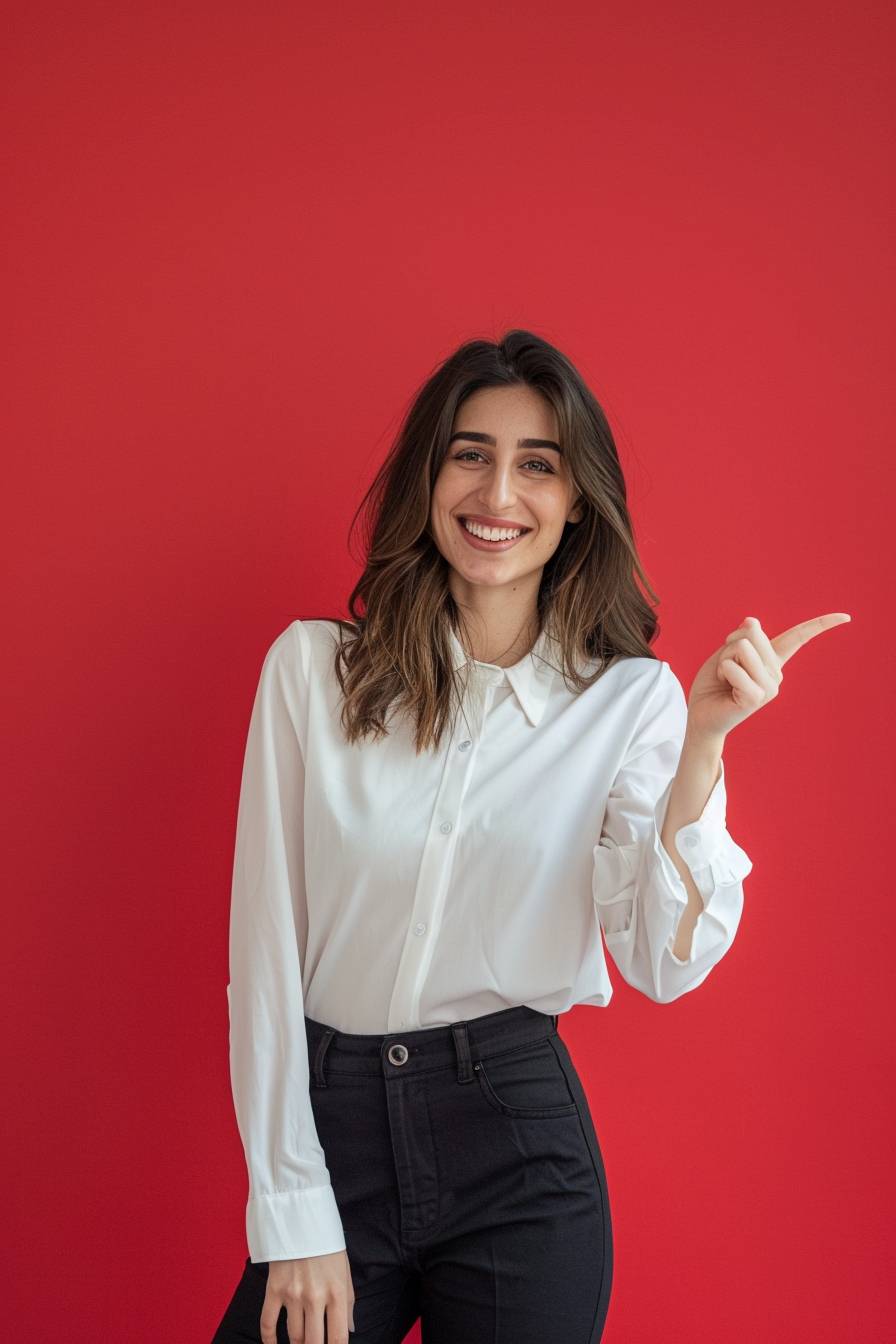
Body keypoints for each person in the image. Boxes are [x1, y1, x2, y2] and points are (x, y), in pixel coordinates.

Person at [211, 330, 849, 1344]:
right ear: (429, 477)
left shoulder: (629, 702)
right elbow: (264, 958)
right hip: (331, 1133)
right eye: (469, 453)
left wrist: (703, 748)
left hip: (514, 1145)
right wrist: (291, 1208)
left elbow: (658, 964)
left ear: (576, 502)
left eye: (536, 464)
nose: (496, 491)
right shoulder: (309, 675)